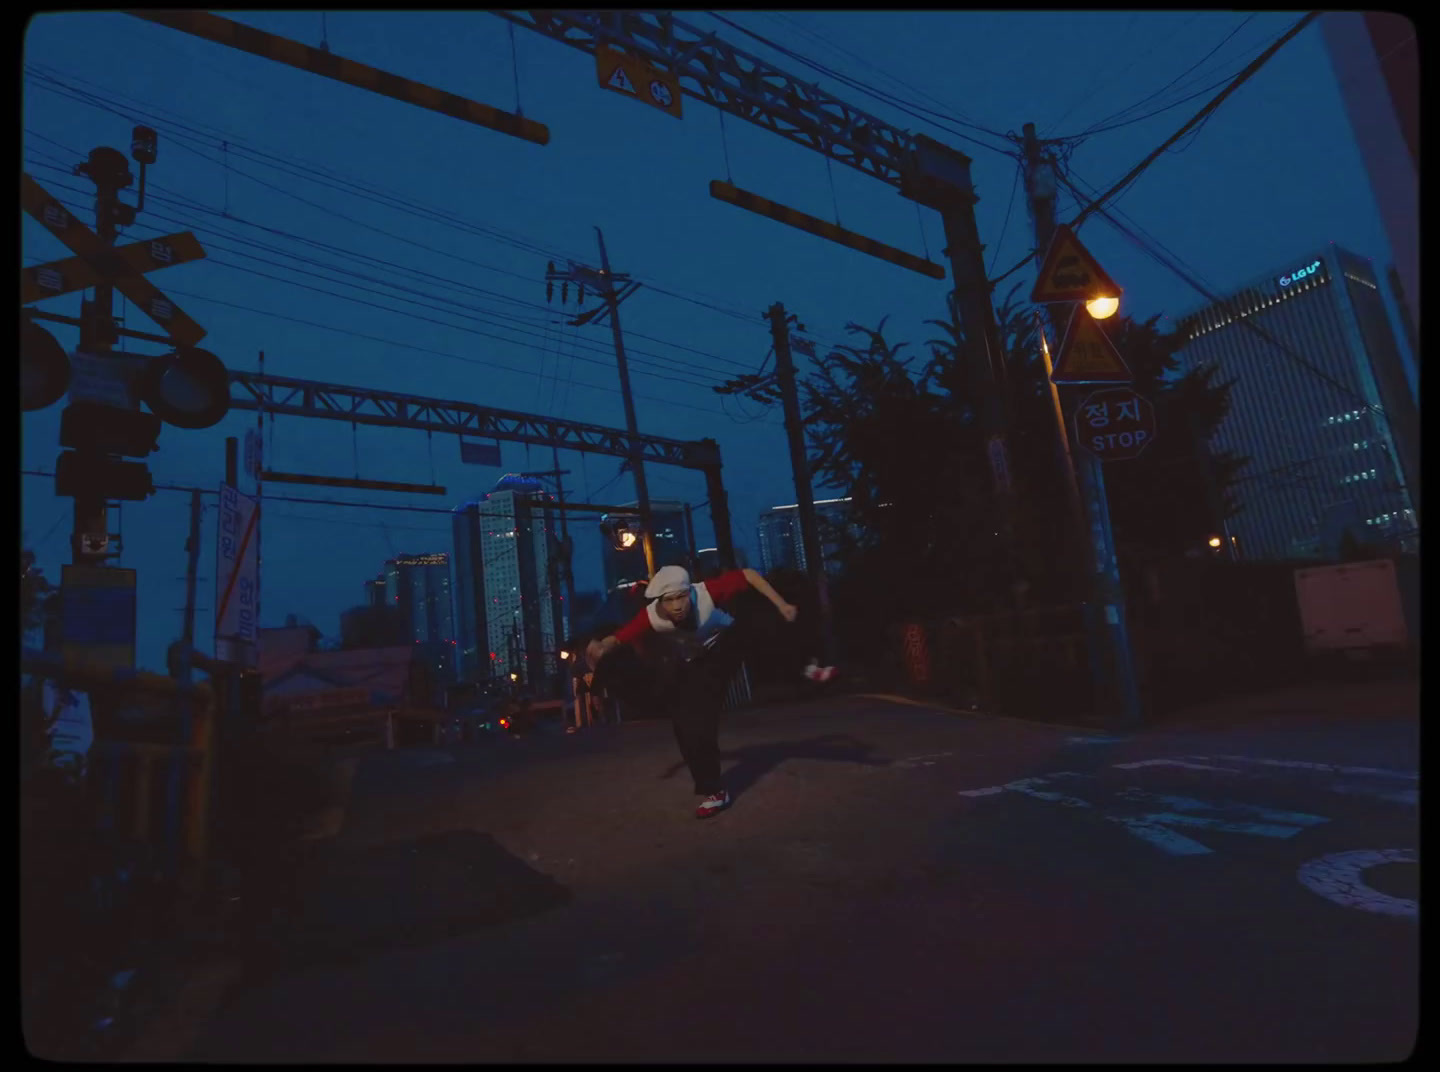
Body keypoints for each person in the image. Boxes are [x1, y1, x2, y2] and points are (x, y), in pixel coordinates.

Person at [586, 564, 833, 819]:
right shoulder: (651, 616)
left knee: (756, 623)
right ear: (660, 602)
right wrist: (601, 645)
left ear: (688, 593)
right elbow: (619, 637)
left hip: (727, 643)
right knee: (688, 724)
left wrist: (781, 603)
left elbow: (748, 576)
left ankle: (806, 667)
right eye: (669, 601)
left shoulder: (707, 592)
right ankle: (714, 791)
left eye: (682, 597)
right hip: (698, 662)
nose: (677, 607)